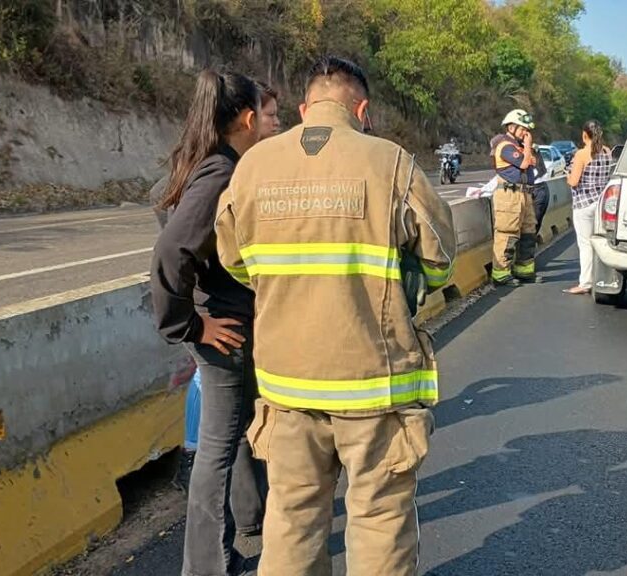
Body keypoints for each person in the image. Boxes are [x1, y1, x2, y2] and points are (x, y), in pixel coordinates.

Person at [215, 55, 456, 576]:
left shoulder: (252, 166)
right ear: (361, 109)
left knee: (292, 521)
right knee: (378, 520)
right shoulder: (389, 162)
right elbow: (440, 256)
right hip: (372, 382)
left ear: (304, 108)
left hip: (285, 384)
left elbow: (234, 262)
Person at [150, 68, 279, 576]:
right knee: (219, 448)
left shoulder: (196, 162)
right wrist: (190, 325)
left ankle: (252, 518)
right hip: (222, 327)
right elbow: (171, 249)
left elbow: (164, 202)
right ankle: (207, 567)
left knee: (243, 424)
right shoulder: (224, 171)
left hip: (220, 318)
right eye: (264, 117)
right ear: (247, 118)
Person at [490, 109, 540, 286]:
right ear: (511, 127)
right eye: (522, 129)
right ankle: (501, 273)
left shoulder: (517, 146)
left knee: (528, 232)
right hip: (509, 195)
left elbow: (533, 162)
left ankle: (524, 269)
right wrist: (528, 145)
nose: (525, 133)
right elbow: (526, 162)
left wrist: (527, 148)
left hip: (524, 194)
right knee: (507, 232)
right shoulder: (505, 146)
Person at [563, 120, 612, 295]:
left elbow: (574, 181)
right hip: (600, 204)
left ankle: (585, 283)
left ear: (585, 135)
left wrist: (567, 175)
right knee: (601, 242)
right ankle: (605, 279)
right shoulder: (607, 152)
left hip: (583, 205)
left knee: (585, 244)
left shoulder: (582, 154)